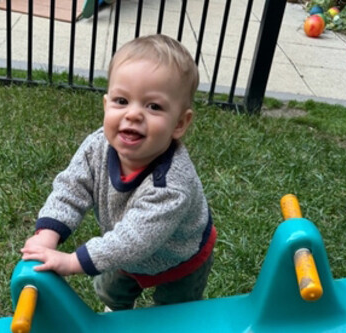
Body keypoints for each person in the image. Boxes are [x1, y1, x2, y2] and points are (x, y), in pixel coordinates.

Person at [21, 34, 216, 311]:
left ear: (180, 124)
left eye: (154, 106)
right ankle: (117, 315)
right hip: (123, 254)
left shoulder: (172, 184)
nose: (133, 114)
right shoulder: (97, 146)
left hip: (180, 257)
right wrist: (47, 233)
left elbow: (133, 241)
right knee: (111, 292)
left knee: (175, 312)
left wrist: (72, 261)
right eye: (122, 101)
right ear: (105, 105)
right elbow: (71, 188)